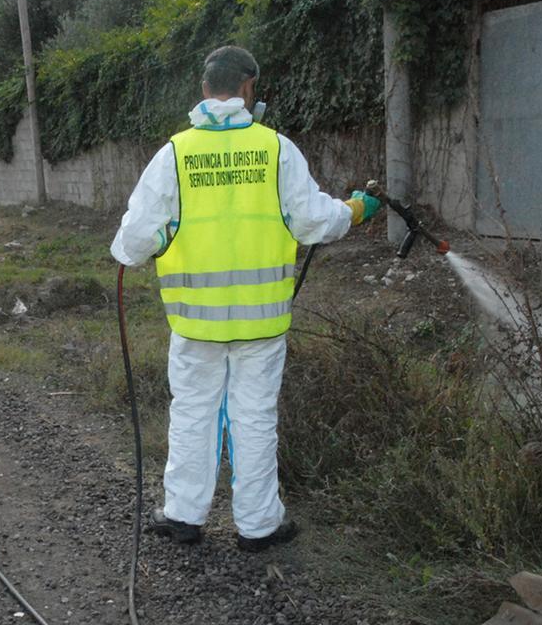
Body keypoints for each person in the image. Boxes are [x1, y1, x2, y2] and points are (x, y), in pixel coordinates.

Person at [110, 46, 381, 551]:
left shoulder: (175, 154)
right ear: (249, 87)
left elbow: (130, 245)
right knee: (254, 418)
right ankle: (258, 526)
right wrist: (356, 209)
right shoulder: (277, 149)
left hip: (196, 328)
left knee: (192, 413)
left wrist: (166, 235)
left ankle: (183, 518)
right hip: (262, 325)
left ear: (203, 87)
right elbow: (314, 222)